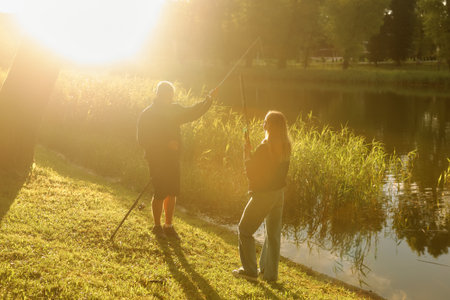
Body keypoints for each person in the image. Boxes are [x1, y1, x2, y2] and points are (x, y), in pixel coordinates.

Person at [137, 81, 214, 240]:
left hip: (172, 159)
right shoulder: (148, 114)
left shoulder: (174, 110)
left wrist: (208, 102)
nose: (170, 98)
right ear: (159, 94)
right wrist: (165, 144)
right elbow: (142, 139)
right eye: (167, 95)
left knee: (172, 192)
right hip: (156, 159)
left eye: (171, 95)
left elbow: (192, 112)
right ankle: (157, 226)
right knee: (160, 192)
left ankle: (168, 225)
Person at [233, 111, 291, 282]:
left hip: (263, 196)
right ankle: (270, 275)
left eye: (265, 121)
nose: (262, 124)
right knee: (272, 236)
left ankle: (250, 271)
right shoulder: (286, 146)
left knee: (244, 230)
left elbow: (251, 173)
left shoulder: (264, 147)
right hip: (278, 195)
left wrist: (246, 154)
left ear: (270, 125)